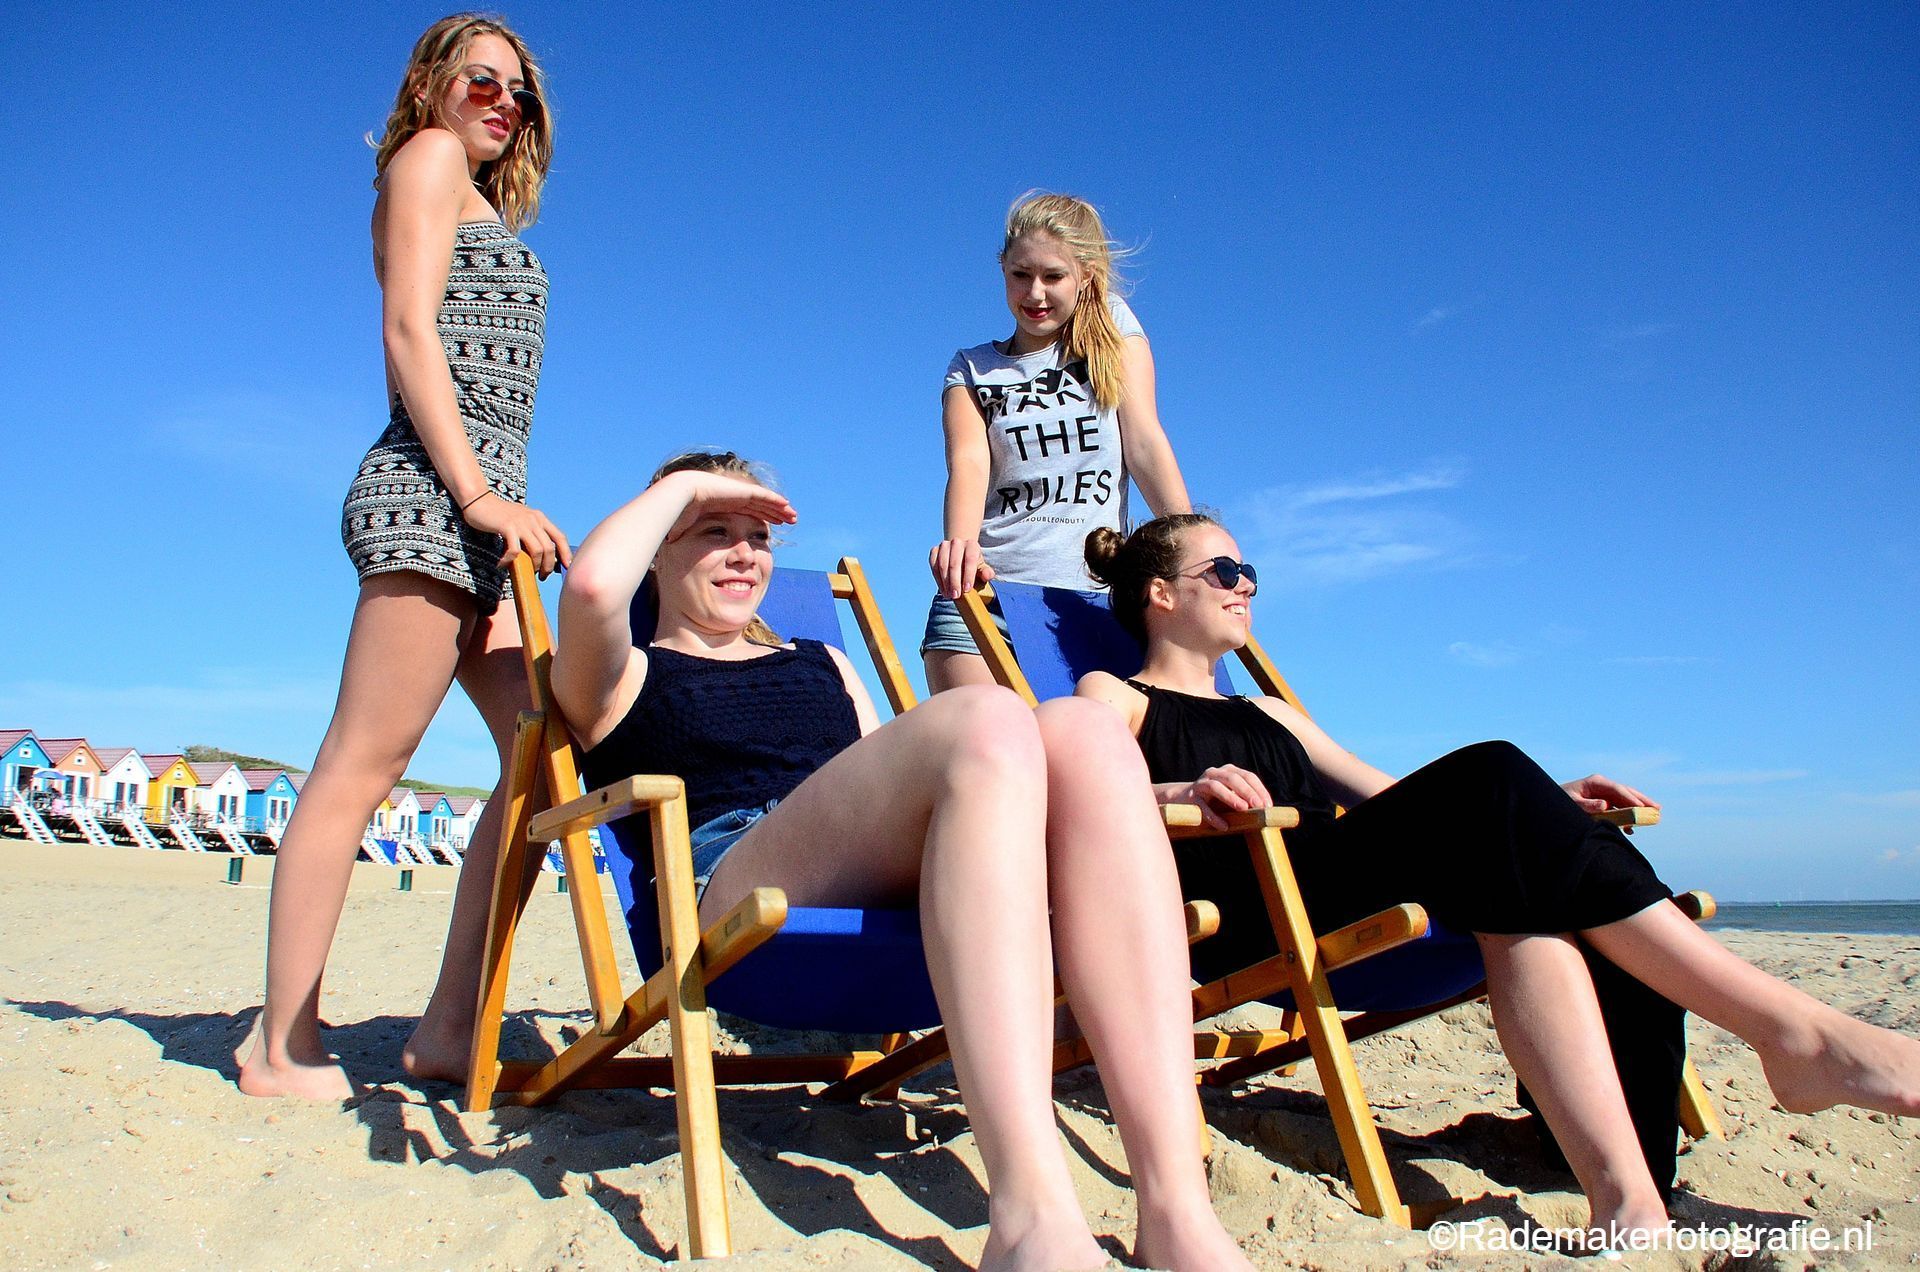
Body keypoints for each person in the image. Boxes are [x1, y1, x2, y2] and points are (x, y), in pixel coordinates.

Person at [1077, 514, 1920, 1240]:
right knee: (1494, 774)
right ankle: (1795, 1036)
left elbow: (1392, 799)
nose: (1247, 586)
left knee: (1528, 870)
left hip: (1331, 882)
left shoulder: (1270, 712)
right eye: (1225, 571)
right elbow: (1071, 786)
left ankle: (1629, 1196)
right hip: (1258, 907)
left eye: (1251, 571)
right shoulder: (1115, 695)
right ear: (1160, 593)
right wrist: (1177, 792)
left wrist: (1547, 806)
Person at [551, 452, 1251, 1272]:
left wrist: (1143, 791)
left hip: (890, 877)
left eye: (758, 537)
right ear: (658, 551)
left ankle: (1177, 1211)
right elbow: (592, 588)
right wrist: (684, 487)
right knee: (988, 714)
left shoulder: (824, 662)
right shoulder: (622, 675)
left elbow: (947, 782)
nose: (745, 554)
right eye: (713, 531)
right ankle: (1030, 1213)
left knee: (1087, 730)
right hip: (736, 883)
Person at [239, 14, 568, 1100]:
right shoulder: (426, 158)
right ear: (430, 84)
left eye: (518, 91)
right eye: (481, 80)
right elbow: (408, 333)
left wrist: (497, 504)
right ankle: (280, 1044)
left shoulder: (474, 196)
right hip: (434, 499)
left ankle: (447, 1027)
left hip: (481, 514)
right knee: (362, 765)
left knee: (542, 757)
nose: (502, 101)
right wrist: (477, 494)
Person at [924, 193, 1192, 693]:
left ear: (1085, 275)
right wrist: (961, 549)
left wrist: (1190, 551)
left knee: (1094, 739)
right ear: (1002, 269)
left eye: (1053, 276)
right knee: (991, 736)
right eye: (1020, 274)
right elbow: (968, 462)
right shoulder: (972, 367)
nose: (1035, 293)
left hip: (1093, 602)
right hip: (988, 598)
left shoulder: (1112, 335)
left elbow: (1144, 441)